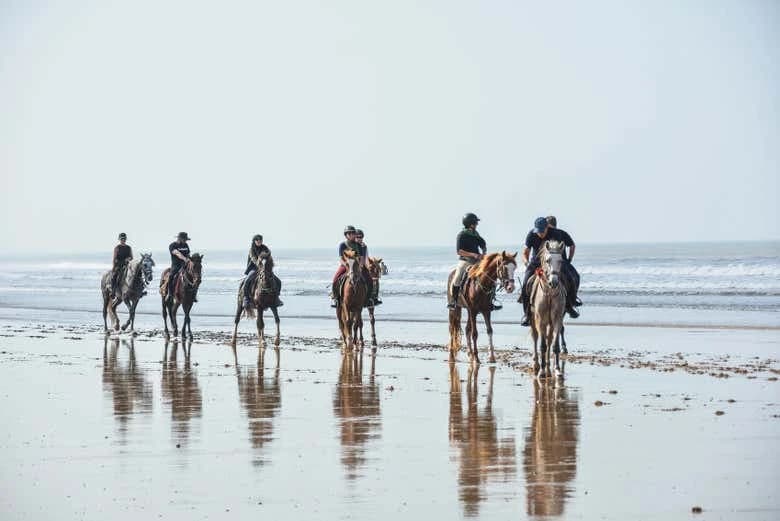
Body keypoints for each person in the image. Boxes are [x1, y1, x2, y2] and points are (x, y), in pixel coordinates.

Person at [518, 217, 578, 327]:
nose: (540, 234)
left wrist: (567, 260)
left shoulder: (556, 234)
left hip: (554, 262)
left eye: (542, 231)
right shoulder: (531, 234)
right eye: (538, 231)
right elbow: (525, 252)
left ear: (547, 227)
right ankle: (527, 314)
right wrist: (527, 263)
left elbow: (560, 250)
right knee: (525, 283)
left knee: (571, 278)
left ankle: (570, 305)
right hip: (536, 262)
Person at [448, 213, 501, 310]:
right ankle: (454, 301)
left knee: (489, 277)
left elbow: (482, 244)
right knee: (457, 277)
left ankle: (491, 301)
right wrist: (473, 254)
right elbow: (459, 251)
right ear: (470, 223)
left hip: (477, 261)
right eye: (476, 222)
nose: (477, 224)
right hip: (465, 261)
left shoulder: (475, 234)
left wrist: (484, 252)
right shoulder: (461, 235)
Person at [331, 225, 373, 307]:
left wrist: (360, 267)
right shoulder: (342, 245)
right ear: (346, 235)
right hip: (345, 266)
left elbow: (361, 258)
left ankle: (368, 300)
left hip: (357, 266)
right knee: (335, 279)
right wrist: (346, 265)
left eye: (352, 233)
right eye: (349, 234)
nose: (351, 235)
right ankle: (336, 298)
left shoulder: (359, 245)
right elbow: (341, 258)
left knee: (369, 280)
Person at [546, 215, 582, 310]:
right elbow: (572, 246)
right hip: (561, 262)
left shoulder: (544, 233)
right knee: (575, 277)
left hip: (547, 262)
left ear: (548, 224)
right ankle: (573, 299)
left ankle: (524, 296)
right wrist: (569, 259)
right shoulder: (562, 233)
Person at [242, 234, 283, 309]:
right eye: (257, 240)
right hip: (254, 268)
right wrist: (259, 263)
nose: (259, 241)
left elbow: (269, 256)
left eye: (260, 240)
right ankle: (246, 298)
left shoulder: (265, 248)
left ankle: (277, 298)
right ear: (254, 241)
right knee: (247, 280)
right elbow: (253, 259)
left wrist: (268, 262)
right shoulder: (252, 249)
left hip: (265, 269)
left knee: (278, 281)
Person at [355, 229, 381, 306]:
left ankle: (370, 298)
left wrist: (367, 266)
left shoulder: (364, 246)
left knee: (371, 281)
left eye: (361, 237)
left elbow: (366, 258)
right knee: (337, 277)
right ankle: (336, 298)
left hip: (362, 266)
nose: (359, 238)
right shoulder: (351, 245)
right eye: (357, 237)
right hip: (351, 266)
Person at [167, 232, 191, 300]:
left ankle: (193, 294)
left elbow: (188, 254)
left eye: (186, 239)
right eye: (184, 239)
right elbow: (177, 253)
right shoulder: (172, 245)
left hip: (185, 265)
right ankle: (170, 293)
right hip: (176, 265)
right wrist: (184, 259)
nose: (185, 241)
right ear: (179, 238)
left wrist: (190, 260)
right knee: (171, 276)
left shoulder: (186, 245)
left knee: (193, 275)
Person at [110, 232, 133, 297]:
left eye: (124, 239)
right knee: (114, 277)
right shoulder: (117, 248)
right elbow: (114, 258)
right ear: (120, 239)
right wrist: (113, 267)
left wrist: (129, 259)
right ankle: (113, 291)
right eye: (122, 239)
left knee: (136, 275)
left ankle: (138, 291)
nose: (123, 240)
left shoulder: (129, 247)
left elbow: (131, 257)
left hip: (127, 265)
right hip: (119, 265)